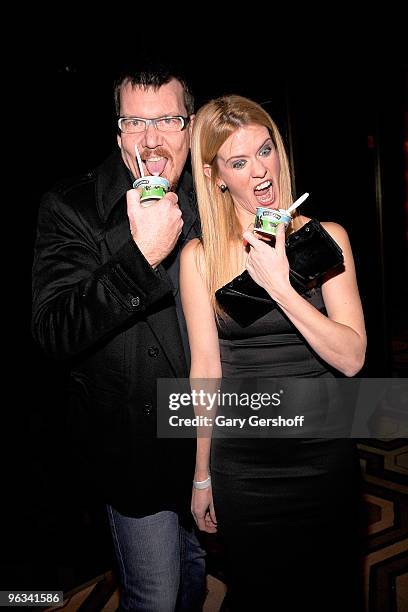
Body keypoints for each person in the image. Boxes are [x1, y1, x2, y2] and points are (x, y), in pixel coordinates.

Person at [180, 95, 367, 610]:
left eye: (265, 151)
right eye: (239, 162)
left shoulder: (328, 239)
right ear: (217, 175)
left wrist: (282, 289)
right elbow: (205, 371)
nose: (261, 172)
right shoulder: (201, 259)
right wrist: (202, 475)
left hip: (323, 459)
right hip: (245, 467)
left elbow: (352, 358)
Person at [32, 60, 206, 612]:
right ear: (118, 132)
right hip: (134, 447)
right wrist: (142, 257)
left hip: (210, 436)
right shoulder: (73, 205)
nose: (151, 140)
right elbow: (54, 331)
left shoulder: (215, 197)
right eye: (135, 123)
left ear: (191, 125)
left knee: (198, 571)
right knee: (155, 594)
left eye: (167, 121)